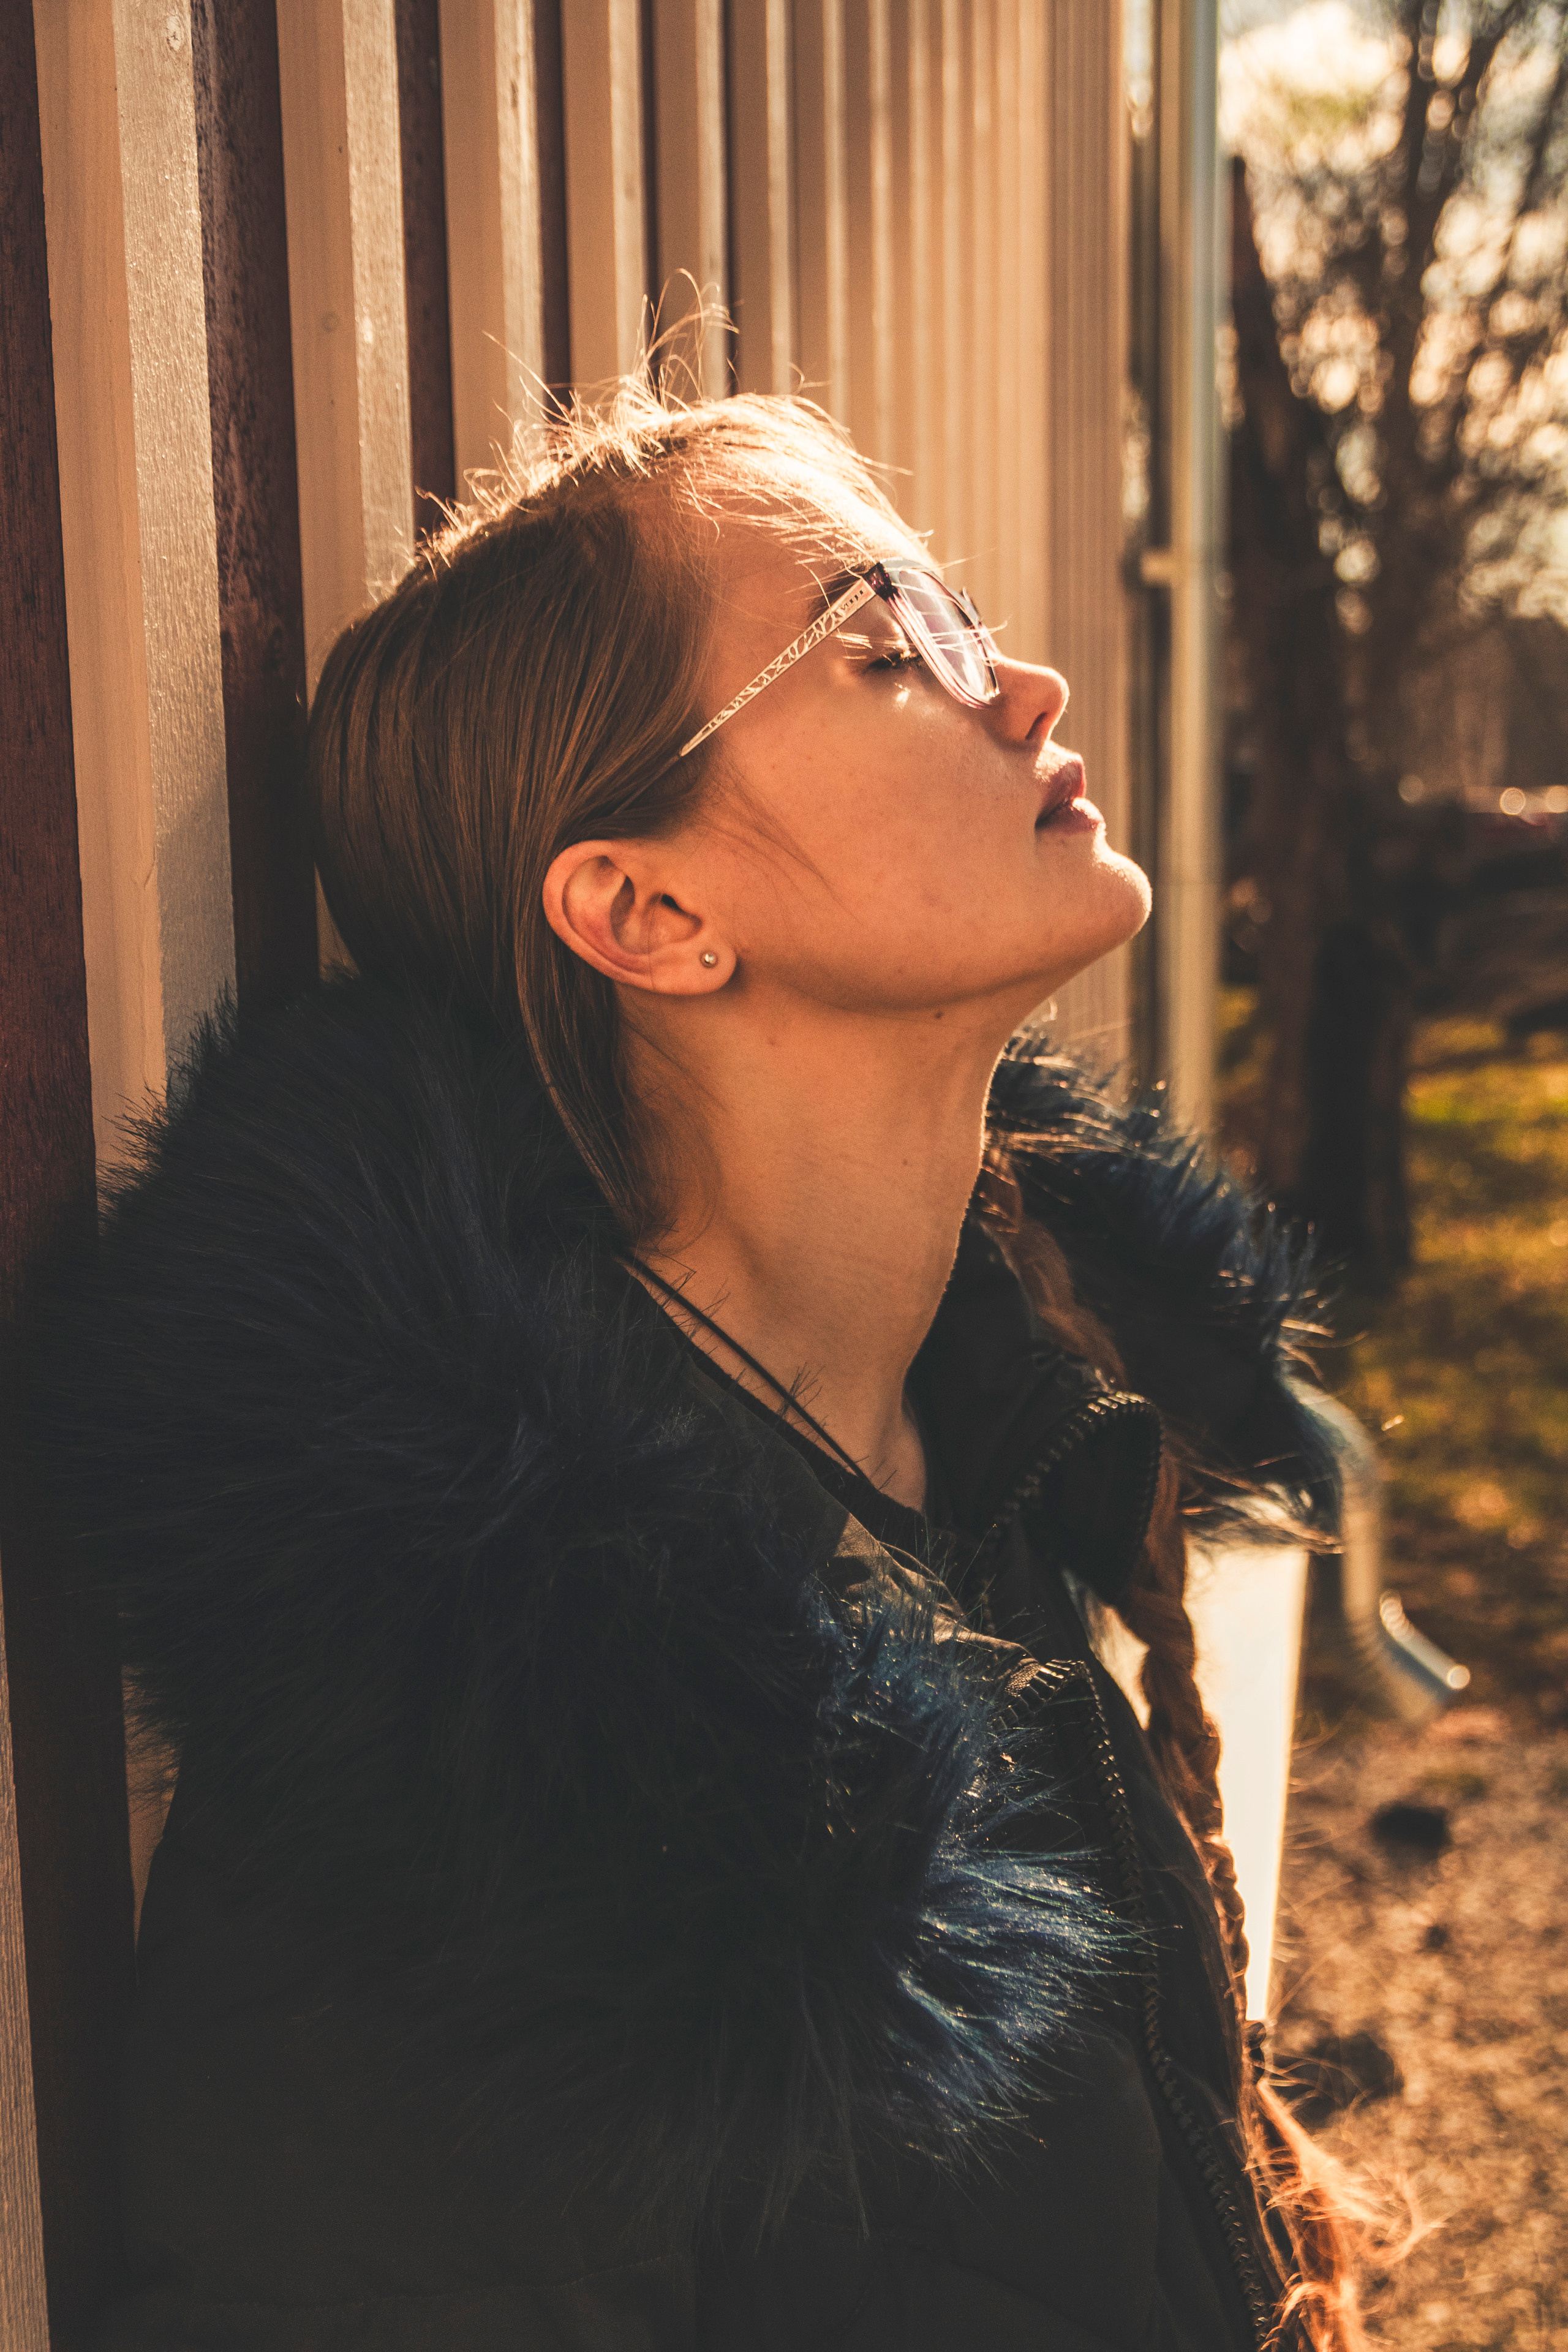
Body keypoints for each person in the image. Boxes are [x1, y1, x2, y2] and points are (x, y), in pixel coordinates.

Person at [32, 388, 1366, 2350]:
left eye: (956, 613)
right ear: (649, 911)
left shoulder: (981, 1424)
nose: (1023, 685)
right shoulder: (490, 1794)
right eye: (882, 638)